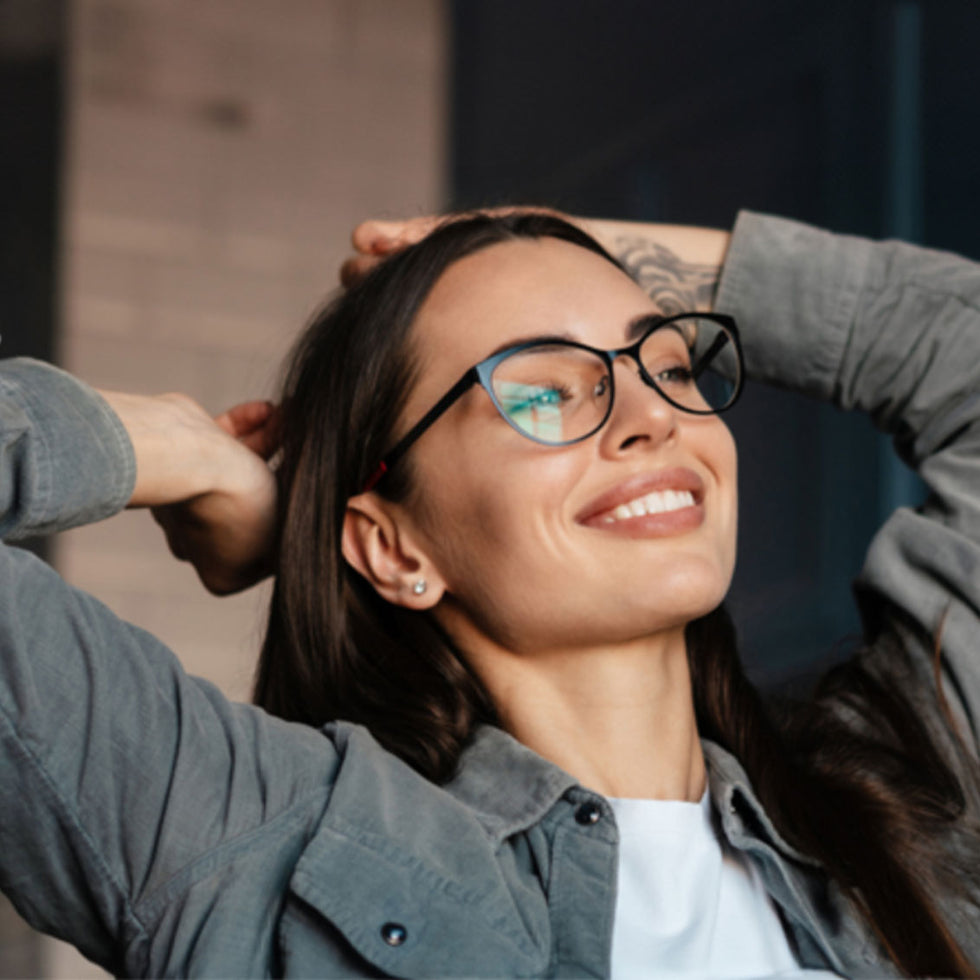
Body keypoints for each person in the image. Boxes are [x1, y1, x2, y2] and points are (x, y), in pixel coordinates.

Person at [1, 208, 980, 979]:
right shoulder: (252, 836)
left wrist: (557, 239)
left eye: (667, 361)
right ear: (392, 547)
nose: (648, 416)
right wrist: (163, 447)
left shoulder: (900, 808)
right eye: (543, 390)